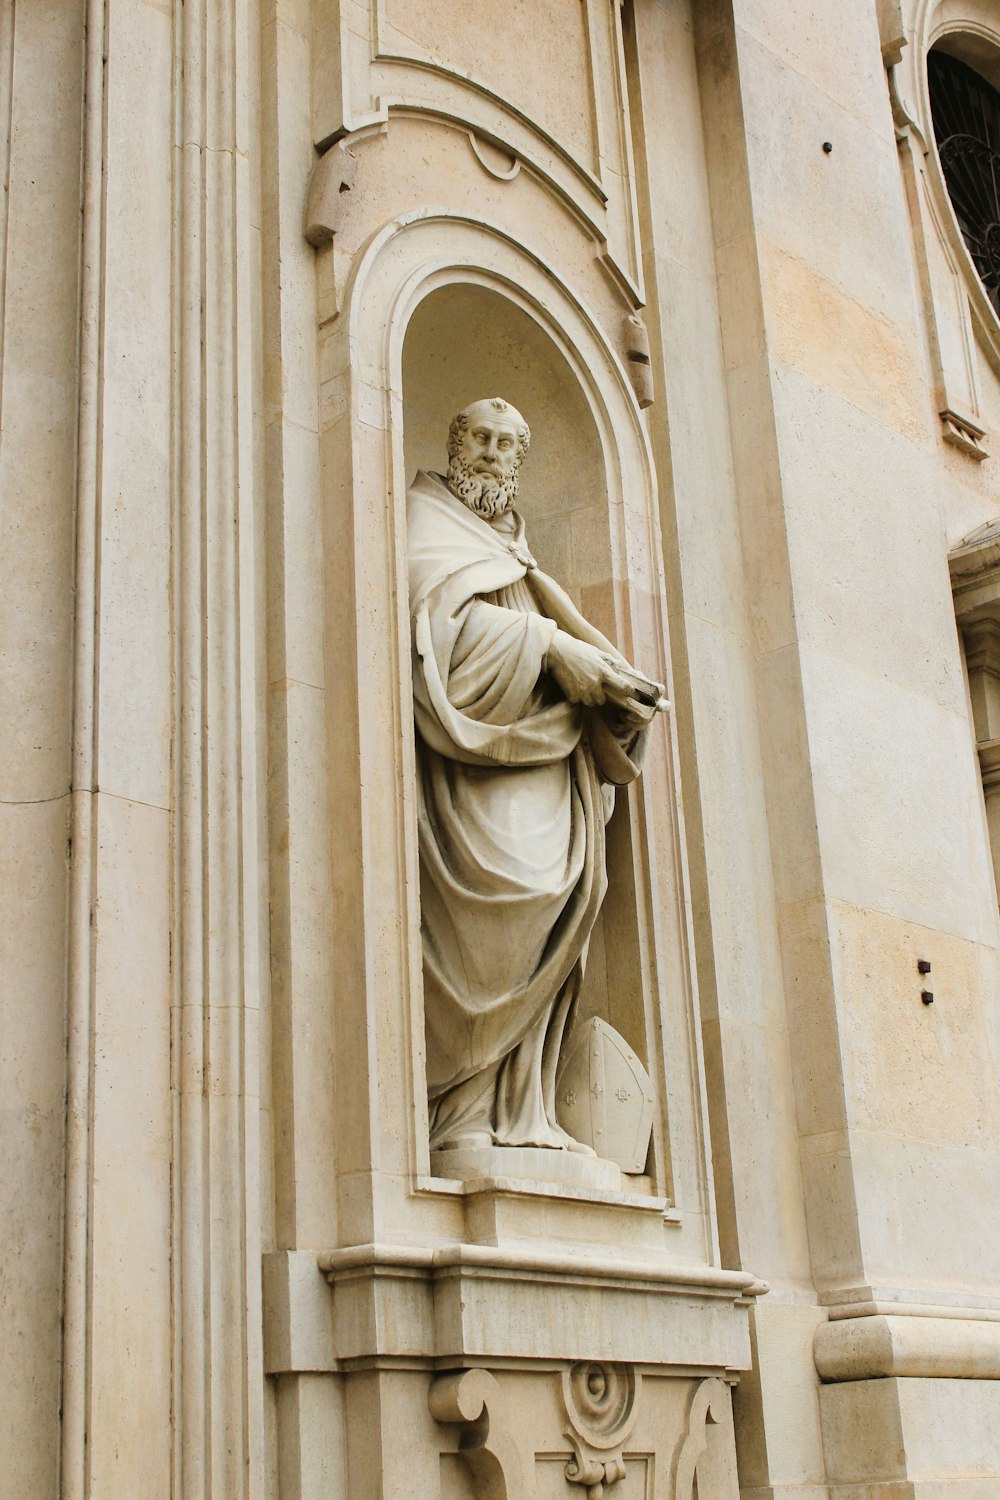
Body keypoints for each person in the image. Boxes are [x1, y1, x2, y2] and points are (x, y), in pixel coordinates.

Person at [408, 397, 665, 1155]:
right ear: (455, 445)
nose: (490, 454)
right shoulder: (424, 521)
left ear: (521, 462)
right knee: (509, 892)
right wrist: (547, 649)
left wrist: (611, 688)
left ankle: (522, 1113)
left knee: (563, 900)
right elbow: (431, 640)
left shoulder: (519, 549)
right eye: (478, 438)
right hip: (470, 768)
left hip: (546, 762)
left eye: (505, 445)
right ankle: (457, 1115)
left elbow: (552, 634)